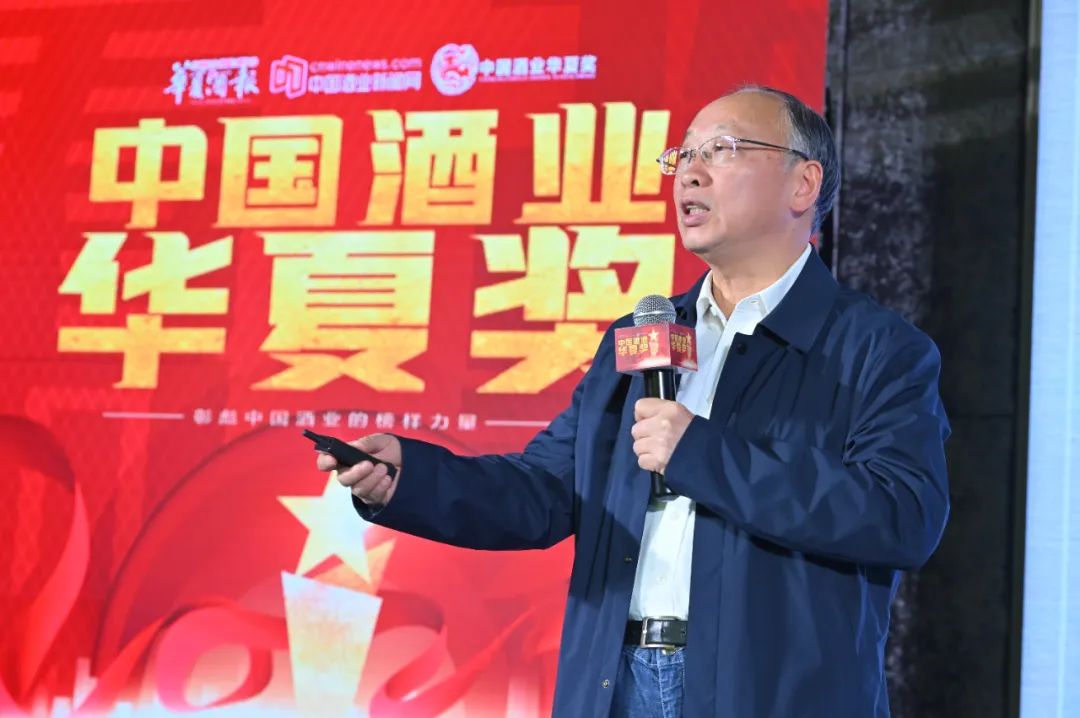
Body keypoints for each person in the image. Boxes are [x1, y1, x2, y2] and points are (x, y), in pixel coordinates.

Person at [315, 86, 950, 717]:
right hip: (615, 683)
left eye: (723, 149)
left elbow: (903, 515)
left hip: (768, 694)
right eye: (684, 155)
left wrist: (700, 453)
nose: (690, 173)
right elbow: (547, 490)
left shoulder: (876, 348)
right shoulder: (644, 336)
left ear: (803, 184)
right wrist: (409, 478)